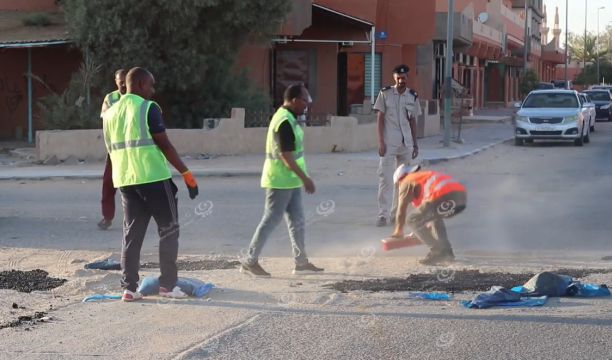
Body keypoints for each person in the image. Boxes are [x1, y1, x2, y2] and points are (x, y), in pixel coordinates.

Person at [102, 67, 199, 301]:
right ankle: (167, 285)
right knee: (169, 231)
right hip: (154, 179)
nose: (153, 90)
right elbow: (165, 145)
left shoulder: (111, 113)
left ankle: (129, 289)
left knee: (132, 236)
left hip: (125, 181)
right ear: (142, 84)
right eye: (151, 85)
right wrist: (186, 174)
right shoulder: (148, 108)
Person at [240, 84, 324, 277]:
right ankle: (250, 261)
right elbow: (286, 156)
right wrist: (306, 179)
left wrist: (300, 178)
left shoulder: (289, 118)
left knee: (297, 221)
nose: (306, 106)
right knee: (270, 220)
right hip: (279, 180)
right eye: (304, 101)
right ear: (294, 100)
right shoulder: (284, 121)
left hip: (290, 180)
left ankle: (301, 263)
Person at [389, 164, 467, 265]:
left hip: (441, 194)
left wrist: (398, 231)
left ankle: (437, 251)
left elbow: (401, 209)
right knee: (434, 219)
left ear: (401, 178)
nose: (399, 187)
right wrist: (417, 230)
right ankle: (447, 253)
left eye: (398, 184)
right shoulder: (422, 181)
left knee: (411, 219)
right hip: (457, 194)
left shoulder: (406, 180)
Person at [373, 64, 421, 227]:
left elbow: (413, 120)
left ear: (407, 78)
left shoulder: (413, 96)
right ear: (394, 78)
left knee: (403, 182)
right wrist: (380, 141)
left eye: (404, 78)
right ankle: (382, 215)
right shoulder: (385, 94)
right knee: (386, 179)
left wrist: (415, 144)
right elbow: (380, 118)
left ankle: (396, 214)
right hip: (388, 143)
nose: (401, 80)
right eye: (398, 78)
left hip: (406, 144)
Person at [98, 69, 127, 230]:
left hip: (135, 151)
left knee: (135, 186)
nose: (122, 83)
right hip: (116, 151)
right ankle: (107, 217)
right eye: (119, 80)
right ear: (115, 81)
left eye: (125, 80)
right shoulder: (111, 98)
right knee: (109, 183)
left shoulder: (136, 97)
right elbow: (107, 121)